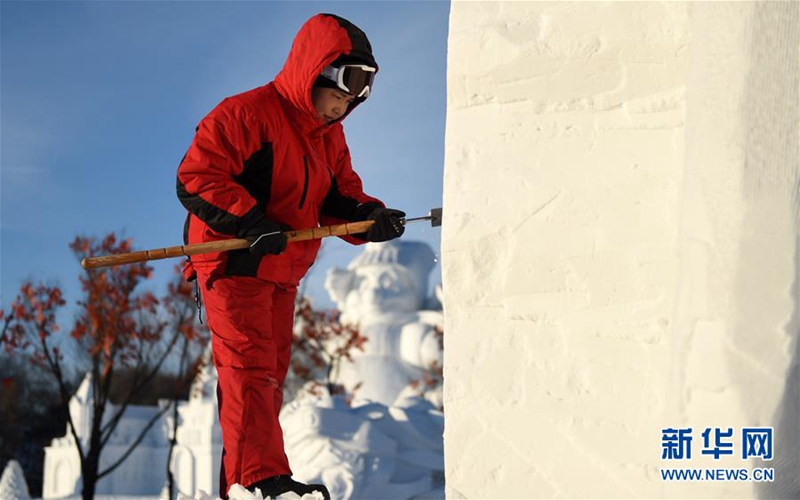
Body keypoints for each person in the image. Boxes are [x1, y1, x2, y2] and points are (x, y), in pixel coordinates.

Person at [175, 13, 405, 500]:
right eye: (338, 95)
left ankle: (241, 482)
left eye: (350, 103)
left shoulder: (329, 138)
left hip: (282, 271)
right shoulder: (248, 114)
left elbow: (340, 196)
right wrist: (251, 219)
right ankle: (261, 480)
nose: (340, 110)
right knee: (250, 370)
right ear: (314, 73)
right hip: (233, 261)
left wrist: (371, 216)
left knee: (269, 376)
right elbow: (197, 175)